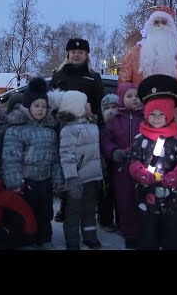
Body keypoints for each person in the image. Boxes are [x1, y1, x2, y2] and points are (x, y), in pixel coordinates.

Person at [128, 74, 177, 250]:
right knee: (147, 235)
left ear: (170, 115)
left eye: (161, 114)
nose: (156, 118)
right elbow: (133, 159)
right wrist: (139, 172)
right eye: (152, 114)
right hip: (146, 198)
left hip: (174, 200)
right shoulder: (139, 139)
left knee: (172, 235)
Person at [2, 77, 63, 250]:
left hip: (45, 180)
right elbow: (11, 157)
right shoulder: (17, 129)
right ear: (28, 106)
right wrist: (14, 181)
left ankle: (44, 238)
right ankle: (26, 240)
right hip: (26, 181)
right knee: (25, 212)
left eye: (44, 106)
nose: (41, 110)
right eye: (37, 106)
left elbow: (56, 158)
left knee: (45, 212)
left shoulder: (50, 129)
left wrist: (57, 180)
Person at [50, 38, 105, 223]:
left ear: (86, 55)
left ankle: (88, 209)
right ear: (67, 54)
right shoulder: (58, 76)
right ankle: (65, 207)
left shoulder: (93, 77)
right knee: (67, 167)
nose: (76, 54)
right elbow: (51, 103)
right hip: (63, 129)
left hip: (86, 130)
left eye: (80, 52)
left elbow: (100, 105)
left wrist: (96, 122)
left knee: (85, 168)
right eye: (73, 51)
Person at [51, 90, 103, 250]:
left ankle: (90, 236)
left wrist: (101, 173)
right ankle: (72, 240)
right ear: (77, 108)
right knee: (73, 212)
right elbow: (66, 156)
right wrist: (71, 178)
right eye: (85, 103)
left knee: (89, 211)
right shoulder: (69, 130)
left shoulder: (92, 126)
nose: (89, 105)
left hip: (92, 179)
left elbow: (96, 153)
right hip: (77, 180)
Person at [100, 83, 144, 249]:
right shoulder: (114, 120)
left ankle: (145, 230)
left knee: (143, 199)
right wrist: (114, 152)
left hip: (143, 167)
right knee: (125, 202)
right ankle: (130, 234)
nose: (134, 99)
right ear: (121, 100)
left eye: (136, 96)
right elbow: (105, 139)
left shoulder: (146, 117)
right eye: (129, 96)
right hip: (121, 168)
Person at [119, 5, 177, 96]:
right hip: (141, 109)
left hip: (174, 108)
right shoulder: (134, 53)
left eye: (164, 22)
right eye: (156, 22)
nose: (159, 26)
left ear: (171, 27)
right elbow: (124, 83)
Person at [97, 93, 120, 233]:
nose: (111, 110)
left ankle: (120, 220)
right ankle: (105, 220)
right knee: (105, 195)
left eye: (114, 107)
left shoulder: (122, 125)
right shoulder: (100, 126)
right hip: (104, 166)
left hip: (119, 165)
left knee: (119, 195)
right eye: (107, 107)